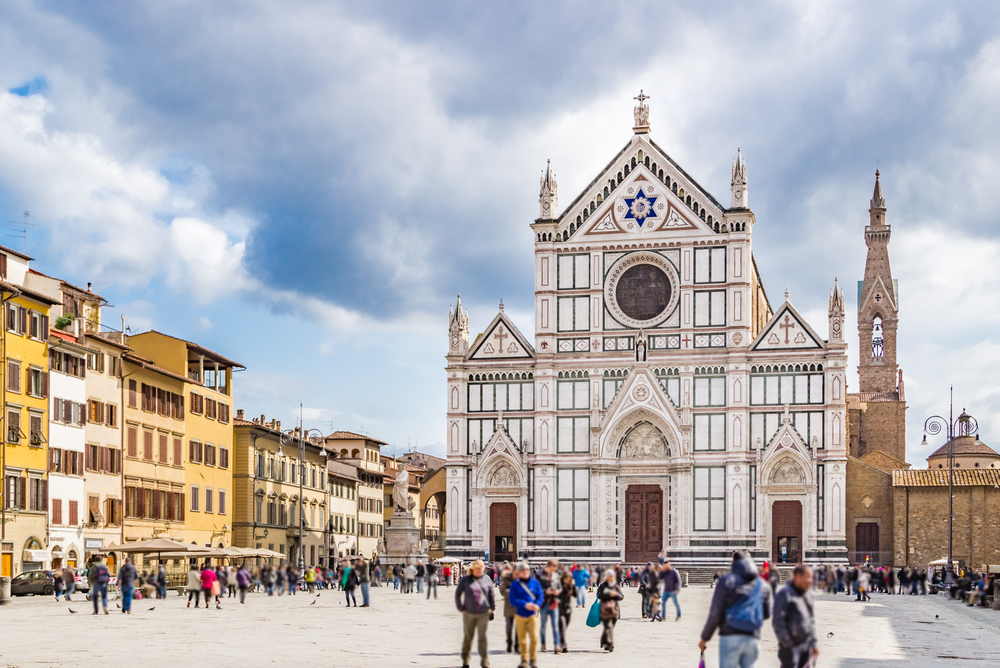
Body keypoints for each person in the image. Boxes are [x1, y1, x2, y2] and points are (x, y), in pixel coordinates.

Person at [699, 551, 773, 668]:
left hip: (730, 636)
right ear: (751, 561)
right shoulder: (762, 585)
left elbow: (715, 614)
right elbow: (767, 613)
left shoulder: (726, 581)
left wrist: (705, 638)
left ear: (734, 561)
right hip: (752, 638)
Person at [772, 564, 818, 668]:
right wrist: (787, 642)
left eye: (812, 577)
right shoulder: (784, 594)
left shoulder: (808, 595)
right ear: (797, 577)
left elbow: (811, 621)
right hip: (791, 647)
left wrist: (813, 644)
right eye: (808, 577)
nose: (811, 581)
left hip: (806, 647)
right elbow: (778, 621)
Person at [454, 559, 496, 668]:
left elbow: (491, 595)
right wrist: (461, 608)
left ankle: (485, 662)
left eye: (481, 570)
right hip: (469, 613)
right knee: (468, 638)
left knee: (482, 637)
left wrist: (492, 608)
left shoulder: (486, 579)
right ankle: (466, 661)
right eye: (477, 570)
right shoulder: (465, 580)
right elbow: (457, 594)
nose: (479, 572)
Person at [509, 562, 543, 668]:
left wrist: (537, 605)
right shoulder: (515, 585)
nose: (525, 573)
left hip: (532, 614)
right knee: (522, 639)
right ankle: (524, 660)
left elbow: (540, 595)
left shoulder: (535, 583)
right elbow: (512, 599)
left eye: (527, 571)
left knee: (534, 638)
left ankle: (533, 660)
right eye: (523, 571)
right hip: (520, 614)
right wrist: (524, 604)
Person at [533, 559, 561, 653]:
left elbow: (559, 587)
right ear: (548, 566)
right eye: (552, 568)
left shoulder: (556, 576)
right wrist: (546, 591)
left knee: (555, 625)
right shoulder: (539, 575)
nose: (553, 571)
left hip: (554, 603)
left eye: (555, 569)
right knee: (543, 625)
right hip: (544, 603)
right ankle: (543, 645)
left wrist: (558, 592)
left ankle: (556, 646)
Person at [596, 569, 623, 652]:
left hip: (615, 610)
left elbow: (621, 596)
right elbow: (598, 596)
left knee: (610, 627)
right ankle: (610, 644)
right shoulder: (603, 586)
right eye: (610, 576)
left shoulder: (615, 586)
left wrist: (616, 594)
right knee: (609, 626)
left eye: (612, 576)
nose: (611, 578)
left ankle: (604, 641)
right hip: (605, 609)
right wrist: (607, 594)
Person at [499, 565, 520, 655]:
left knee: (519, 627)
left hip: (520, 606)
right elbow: (502, 590)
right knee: (509, 626)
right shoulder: (506, 578)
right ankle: (509, 643)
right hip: (509, 605)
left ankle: (517, 645)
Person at [556, 570, 576, 651]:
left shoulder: (570, 585)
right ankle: (563, 645)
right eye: (566, 578)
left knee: (564, 627)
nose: (567, 580)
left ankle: (560, 641)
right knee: (563, 627)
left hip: (568, 610)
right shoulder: (558, 585)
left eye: (569, 579)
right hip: (559, 609)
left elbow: (575, 595)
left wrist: (573, 586)